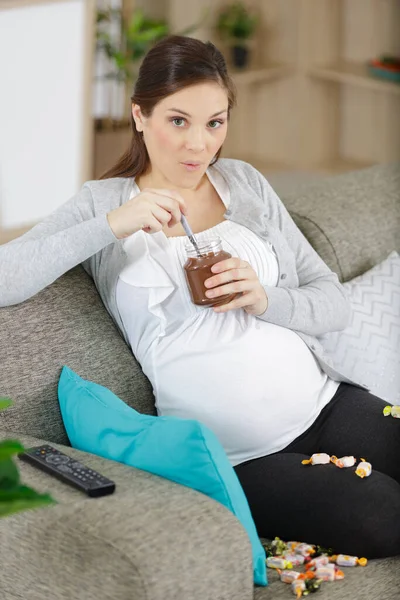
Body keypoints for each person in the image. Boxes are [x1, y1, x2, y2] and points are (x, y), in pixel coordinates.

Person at [1, 35, 399, 559]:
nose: (199, 145)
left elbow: (332, 302)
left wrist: (265, 299)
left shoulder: (245, 183)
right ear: (140, 116)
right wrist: (111, 225)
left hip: (327, 404)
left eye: (215, 122)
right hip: (242, 455)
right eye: (178, 120)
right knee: (384, 516)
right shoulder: (103, 204)